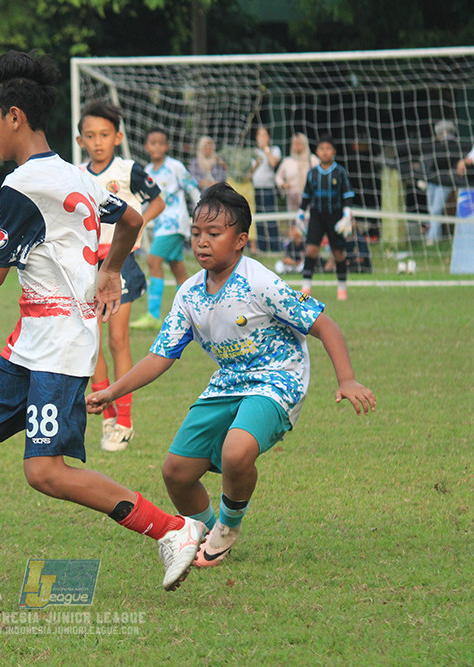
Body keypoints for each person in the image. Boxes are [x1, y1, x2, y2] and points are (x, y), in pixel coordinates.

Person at [0, 51, 206, 605]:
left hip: (59, 342)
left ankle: (173, 530)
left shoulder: (24, 184)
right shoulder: (70, 173)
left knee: (45, 471)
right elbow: (129, 217)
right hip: (34, 339)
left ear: (15, 117)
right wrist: (111, 269)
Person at [86, 182, 375, 568]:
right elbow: (160, 356)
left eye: (214, 234)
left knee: (236, 451)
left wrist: (347, 379)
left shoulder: (261, 282)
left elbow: (325, 326)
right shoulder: (188, 294)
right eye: (195, 233)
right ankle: (207, 530)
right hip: (228, 382)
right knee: (176, 472)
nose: (201, 242)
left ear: (240, 240)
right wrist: (112, 393)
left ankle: (227, 526)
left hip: (278, 379)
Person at [76, 100, 165, 452]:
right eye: (90, 136)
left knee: (118, 340)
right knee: (90, 342)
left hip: (122, 263)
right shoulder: (77, 176)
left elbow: (155, 200)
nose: (98, 142)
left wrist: (138, 228)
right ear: (80, 140)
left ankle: (125, 421)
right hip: (88, 267)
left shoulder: (129, 170)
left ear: (118, 137)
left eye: (105, 135)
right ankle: (107, 415)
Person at [130, 127, 201, 331]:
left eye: (161, 143)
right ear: (146, 146)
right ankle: (195, 314)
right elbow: (145, 202)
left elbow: (193, 189)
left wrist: (200, 216)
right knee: (178, 270)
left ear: (167, 146)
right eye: (153, 143)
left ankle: (153, 315)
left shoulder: (176, 167)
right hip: (160, 226)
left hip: (175, 223)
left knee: (153, 260)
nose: (157, 147)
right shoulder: (148, 172)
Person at [298, 135, 355, 301]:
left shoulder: (340, 172)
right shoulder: (313, 173)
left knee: (338, 252)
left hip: (335, 217)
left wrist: (347, 213)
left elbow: (347, 195)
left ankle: (342, 289)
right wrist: (300, 213)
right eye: (322, 149)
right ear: (317, 151)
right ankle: (306, 287)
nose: (325, 152)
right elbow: (307, 195)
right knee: (311, 250)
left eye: (328, 149)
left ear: (334, 152)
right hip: (316, 216)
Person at [418, 120, 465, 245]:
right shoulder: (434, 146)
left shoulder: (454, 146)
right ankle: (434, 235)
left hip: (445, 181)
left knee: (436, 210)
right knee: (431, 209)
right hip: (432, 181)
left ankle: (433, 238)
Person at [249, 126, 282, 251]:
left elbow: (273, 163)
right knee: (258, 219)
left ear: (268, 137)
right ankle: (261, 248)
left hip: (269, 188)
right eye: (259, 135)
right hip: (255, 188)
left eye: (264, 135)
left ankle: (275, 247)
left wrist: (266, 149)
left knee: (271, 218)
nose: (261, 138)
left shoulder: (274, 150)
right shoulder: (253, 153)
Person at [275, 133, 320, 213]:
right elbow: (278, 177)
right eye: (294, 144)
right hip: (292, 198)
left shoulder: (313, 160)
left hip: (310, 197)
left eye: (299, 143)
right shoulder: (287, 161)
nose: (296, 146)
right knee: (293, 221)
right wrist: (283, 184)